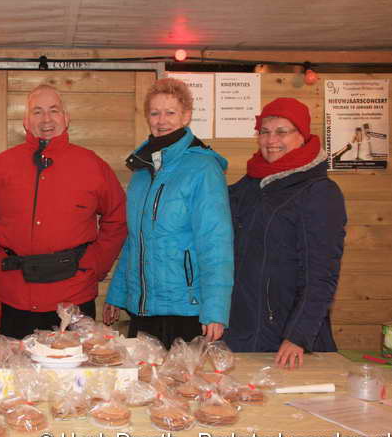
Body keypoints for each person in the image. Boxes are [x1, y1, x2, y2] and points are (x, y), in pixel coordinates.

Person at [0, 85, 127, 339]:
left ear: (66, 118)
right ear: (26, 121)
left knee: (75, 365)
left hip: (74, 297)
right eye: (37, 112)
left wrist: (96, 264)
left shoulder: (92, 166)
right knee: (16, 365)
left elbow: (117, 216)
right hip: (13, 300)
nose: (46, 119)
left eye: (53, 110)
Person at [104, 77, 233, 349]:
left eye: (170, 112)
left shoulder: (203, 168)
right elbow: (134, 241)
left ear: (186, 116)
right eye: (155, 113)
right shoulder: (142, 171)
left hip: (186, 310)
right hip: (142, 309)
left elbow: (216, 243)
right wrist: (117, 294)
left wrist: (215, 310)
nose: (162, 121)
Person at [224, 98, 346, 368]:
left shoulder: (319, 193)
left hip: (286, 338)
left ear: (302, 135)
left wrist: (297, 336)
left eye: (282, 132)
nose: (271, 140)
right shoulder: (249, 185)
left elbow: (321, 275)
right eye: (265, 132)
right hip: (242, 328)